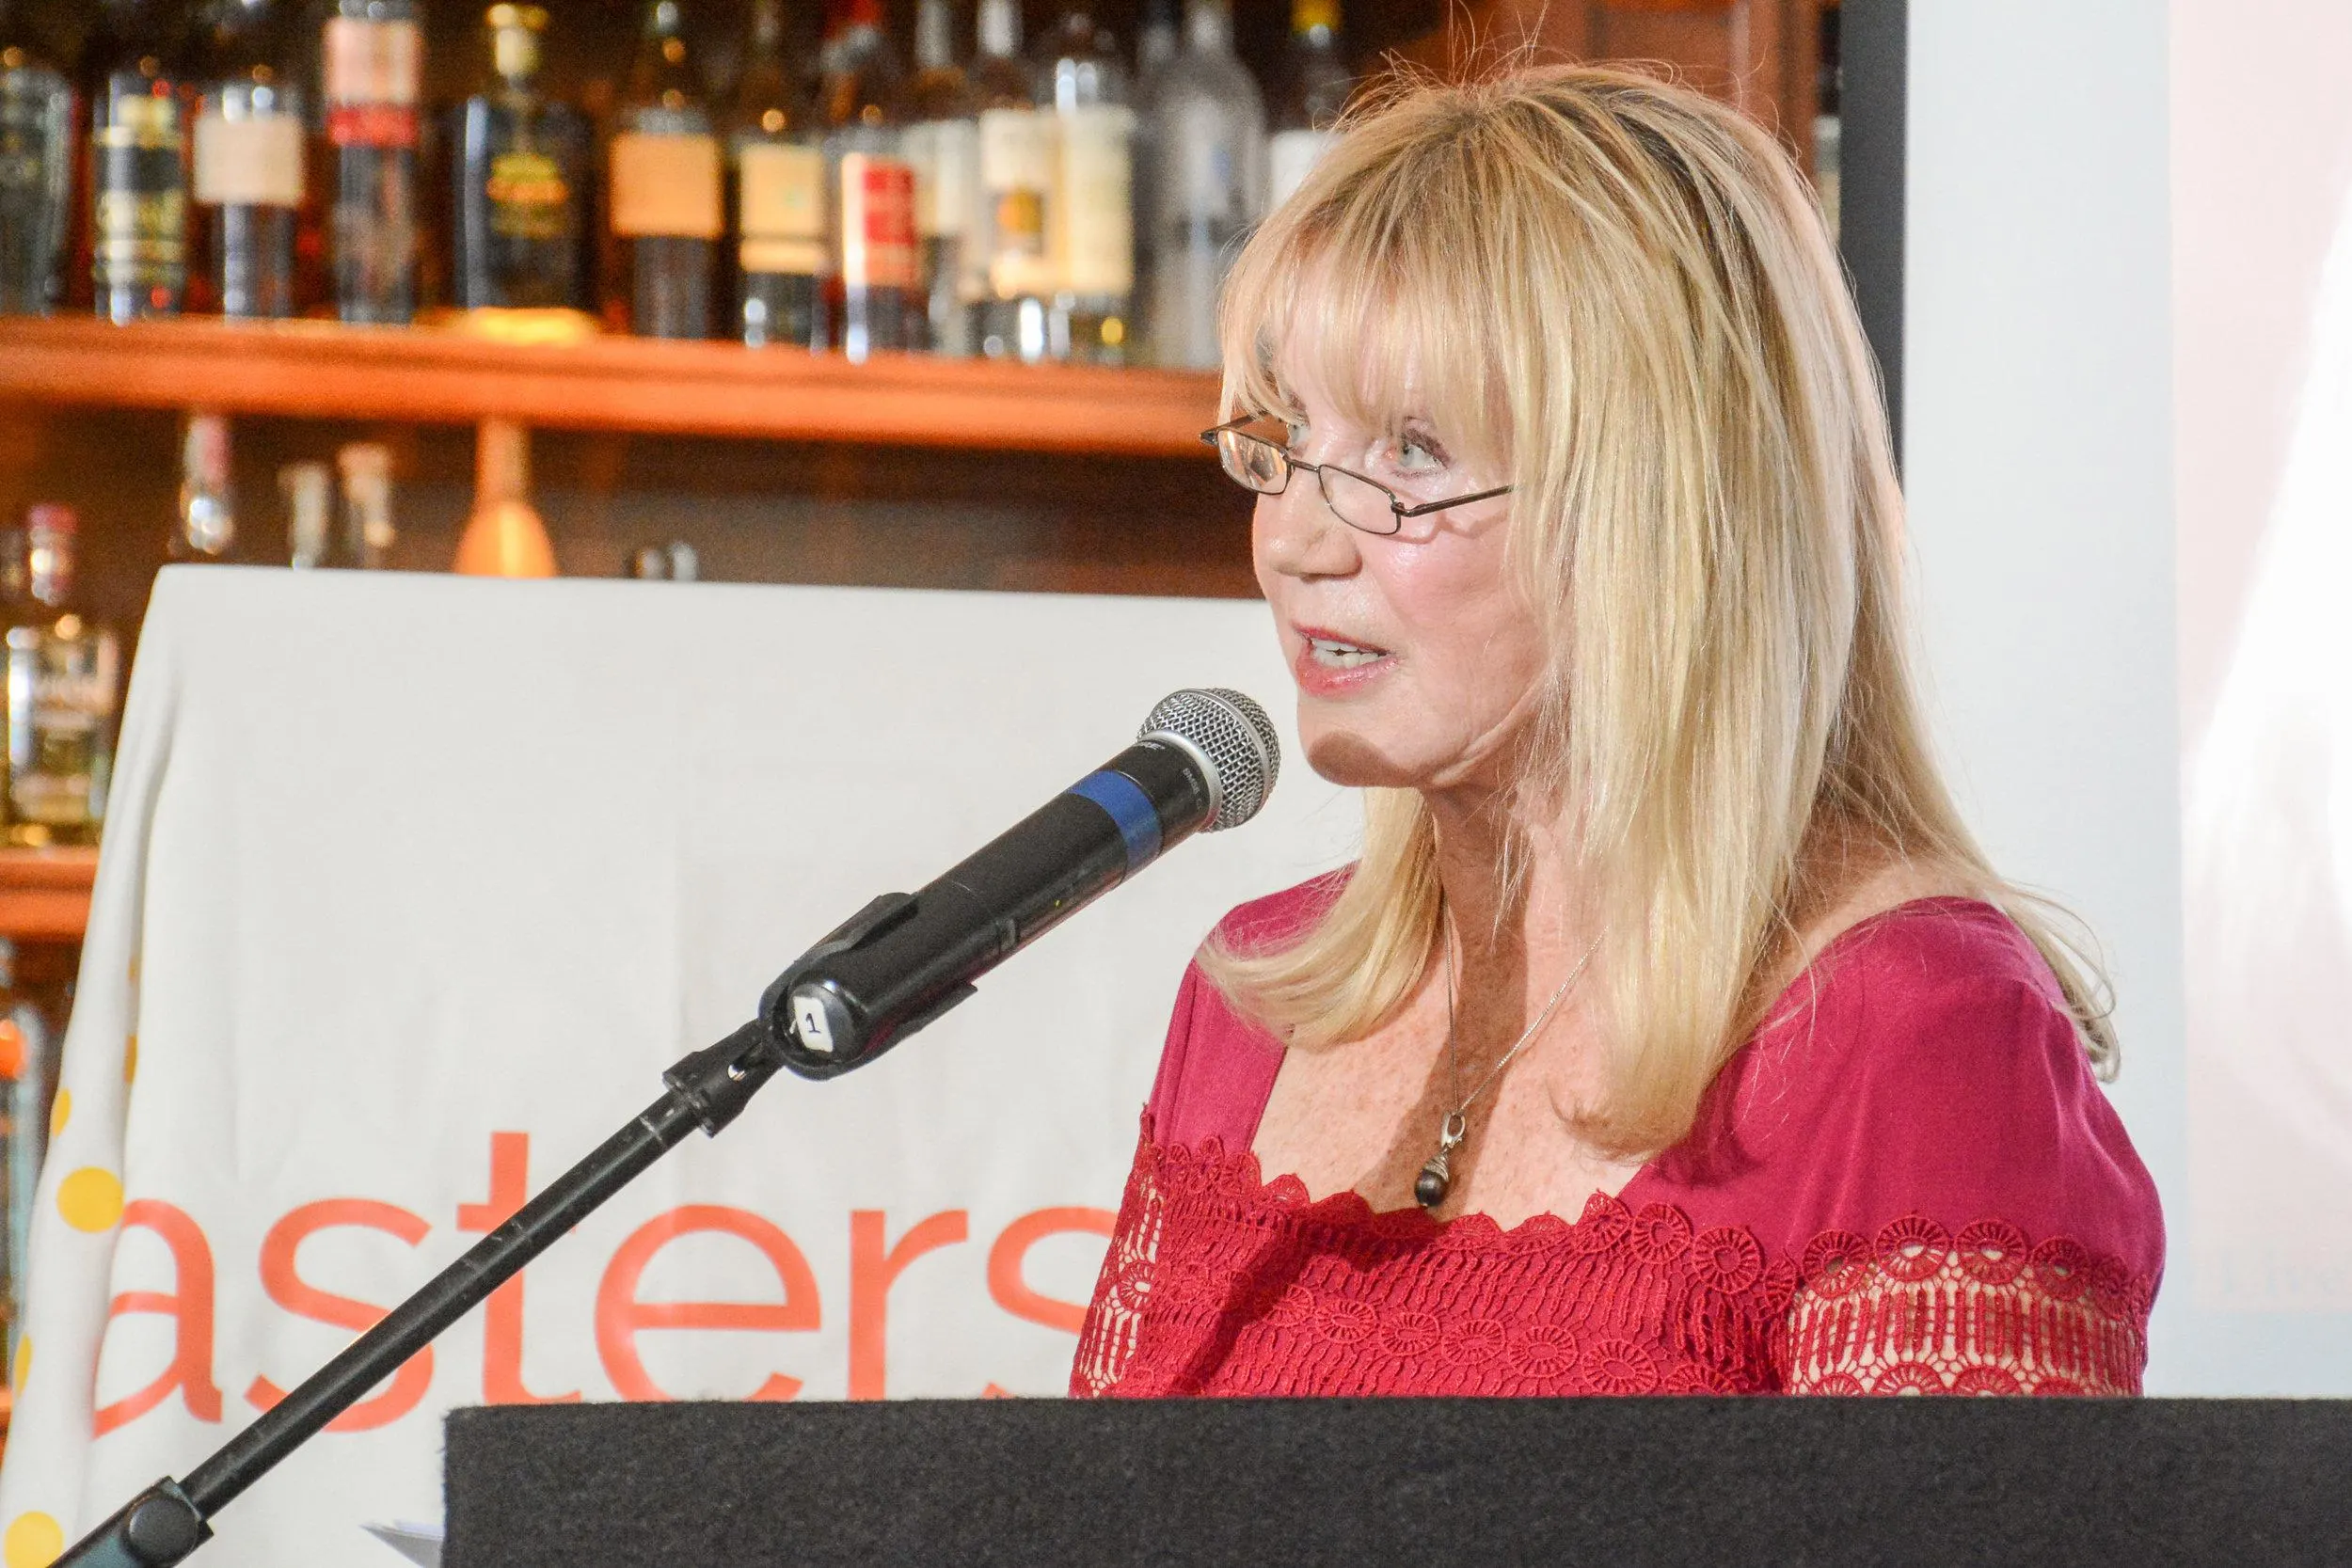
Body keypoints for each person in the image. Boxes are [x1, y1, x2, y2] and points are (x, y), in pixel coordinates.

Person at [1070, 65, 2163, 1398]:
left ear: (1662, 508)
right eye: (1286, 439)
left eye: (1411, 451)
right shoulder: (1252, 995)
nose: (1294, 539)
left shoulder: (1919, 1038)